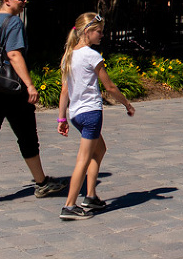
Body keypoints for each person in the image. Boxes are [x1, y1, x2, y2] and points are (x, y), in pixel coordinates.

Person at [0, 0, 67, 208]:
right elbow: (13, 54)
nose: (24, 2)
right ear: (7, 0)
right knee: (27, 136)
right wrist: (30, 85)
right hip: (10, 89)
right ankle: (41, 182)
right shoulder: (13, 22)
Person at [56, 13, 135, 220]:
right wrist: (127, 104)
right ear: (87, 32)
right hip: (91, 113)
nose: (101, 35)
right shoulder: (92, 56)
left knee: (100, 149)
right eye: (99, 32)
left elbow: (64, 91)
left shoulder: (69, 55)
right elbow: (109, 86)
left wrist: (62, 118)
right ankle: (69, 205)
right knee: (83, 159)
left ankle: (90, 196)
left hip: (76, 115)